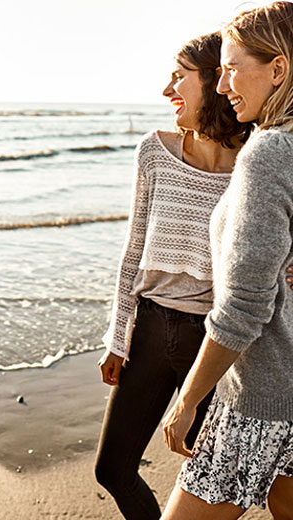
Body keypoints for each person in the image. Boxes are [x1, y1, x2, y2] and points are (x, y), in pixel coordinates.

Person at [94, 32, 252, 520]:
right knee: (113, 469)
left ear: (214, 82)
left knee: (211, 480)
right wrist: (118, 337)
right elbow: (133, 250)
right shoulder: (155, 151)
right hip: (148, 331)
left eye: (179, 77)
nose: (167, 91)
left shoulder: (256, 164)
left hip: (214, 345)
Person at [161, 3, 293, 519]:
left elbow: (244, 307)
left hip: (260, 397)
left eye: (232, 67)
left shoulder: (268, 153)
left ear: (278, 69)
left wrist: (190, 398)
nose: (221, 86)